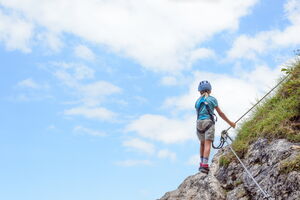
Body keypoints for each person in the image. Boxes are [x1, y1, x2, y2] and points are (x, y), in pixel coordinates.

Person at [195, 80, 236, 174]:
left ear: (199, 91)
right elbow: (220, 113)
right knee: (207, 144)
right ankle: (205, 165)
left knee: (202, 143)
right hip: (208, 122)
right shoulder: (212, 99)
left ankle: (202, 164)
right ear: (210, 90)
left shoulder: (197, 102)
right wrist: (230, 123)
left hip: (199, 123)